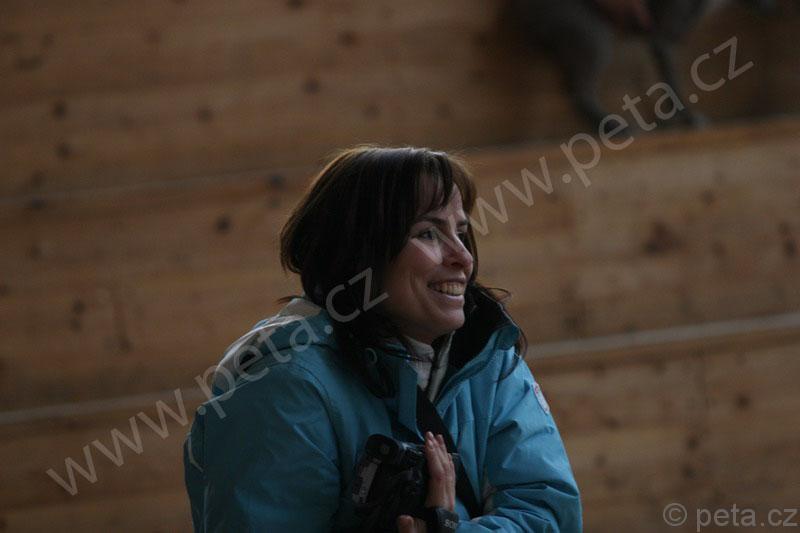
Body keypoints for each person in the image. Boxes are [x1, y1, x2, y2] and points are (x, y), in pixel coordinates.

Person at [183, 146, 582, 531]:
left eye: (461, 232)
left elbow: (550, 515)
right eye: (428, 233)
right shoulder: (283, 388)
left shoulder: (489, 359)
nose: (464, 257)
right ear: (359, 253)